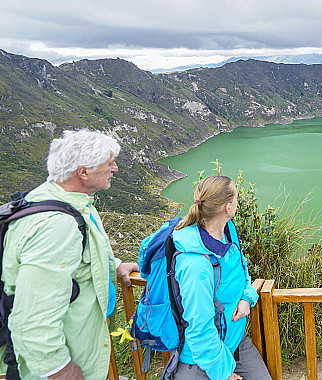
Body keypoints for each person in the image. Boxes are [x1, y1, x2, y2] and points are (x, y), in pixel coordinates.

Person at [1, 129, 139, 379]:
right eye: (109, 163)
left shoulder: (71, 203)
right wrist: (58, 369)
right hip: (59, 365)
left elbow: (72, 258)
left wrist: (113, 265)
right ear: (83, 172)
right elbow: (33, 315)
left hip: (80, 348)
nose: (115, 168)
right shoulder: (57, 225)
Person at [171, 175, 269, 380]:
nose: (237, 201)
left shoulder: (227, 232)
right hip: (201, 361)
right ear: (227, 207)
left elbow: (242, 273)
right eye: (235, 196)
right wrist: (224, 373)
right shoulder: (195, 264)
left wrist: (247, 297)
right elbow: (199, 329)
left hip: (234, 340)